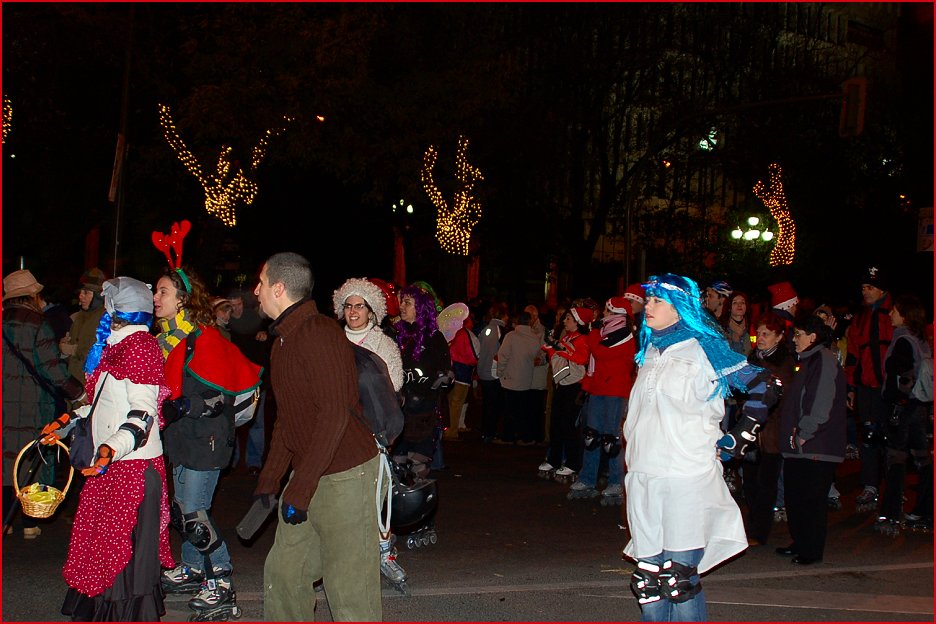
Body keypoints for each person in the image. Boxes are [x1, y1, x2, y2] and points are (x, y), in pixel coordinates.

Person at [622, 273, 776, 621]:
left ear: (679, 308)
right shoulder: (648, 350)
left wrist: (739, 437)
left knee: (679, 579)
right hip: (644, 474)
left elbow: (765, 385)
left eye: (658, 300)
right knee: (647, 578)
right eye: (649, 300)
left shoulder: (704, 347)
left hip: (686, 475)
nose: (648, 305)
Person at [252, 252, 382, 621]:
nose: (255, 291)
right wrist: (270, 480)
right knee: (284, 573)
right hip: (310, 470)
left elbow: (334, 415)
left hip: (345, 474)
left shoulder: (320, 334)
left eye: (261, 283)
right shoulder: (283, 341)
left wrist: (300, 486)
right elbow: (289, 420)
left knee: (349, 586)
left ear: (279, 288)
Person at [40, 277, 175, 620]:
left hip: (132, 468)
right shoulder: (115, 346)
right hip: (110, 463)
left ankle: (123, 613)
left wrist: (111, 449)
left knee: (120, 547)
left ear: (118, 311)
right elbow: (101, 405)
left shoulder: (141, 348)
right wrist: (67, 420)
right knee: (98, 539)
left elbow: (143, 413)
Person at [154, 264, 261, 619]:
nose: (155, 298)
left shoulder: (205, 338)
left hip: (208, 440)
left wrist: (186, 404)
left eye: (163, 292)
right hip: (181, 438)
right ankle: (193, 567)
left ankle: (223, 581)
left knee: (195, 514)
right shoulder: (167, 340)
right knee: (183, 511)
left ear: (182, 300)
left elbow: (222, 399)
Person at [332, 276, 407, 590]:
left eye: (359, 306)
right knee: (339, 499)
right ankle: (337, 562)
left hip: (372, 430)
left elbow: (394, 384)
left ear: (372, 311)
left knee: (378, 497)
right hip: (339, 431)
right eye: (348, 306)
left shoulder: (383, 344)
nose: (353, 311)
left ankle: (384, 556)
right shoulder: (333, 341)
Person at [2, 269, 87, 540]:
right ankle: (30, 521)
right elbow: (53, 369)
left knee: (5, 461)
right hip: (33, 404)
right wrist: (79, 393)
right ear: (33, 295)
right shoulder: (39, 323)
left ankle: (6, 521)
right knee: (32, 459)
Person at [775, 314, 847, 565]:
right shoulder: (808, 361)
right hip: (802, 447)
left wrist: (806, 432)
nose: (794, 340)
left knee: (811, 500)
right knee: (797, 497)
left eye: (799, 334)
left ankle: (811, 549)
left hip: (817, 446)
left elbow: (821, 400)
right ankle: (801, 542)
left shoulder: (823, 359)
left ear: (813, 337)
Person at [567, 297, 636, 506]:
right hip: (599, 388)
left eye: (608, 310)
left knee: (611, 438)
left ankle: (616, 482)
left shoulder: (624, 334)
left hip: (614, 391)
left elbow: (600, 352)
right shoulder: (605, 332)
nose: (604, 314)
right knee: (591, 436)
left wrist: (593, 333)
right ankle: (588, 478)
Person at [874, 294, 933, 535]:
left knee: (896, 460)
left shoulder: (903, 341)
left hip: (904, 409)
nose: (890, 315)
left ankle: (890, 516)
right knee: (923, 460)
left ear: (905, 315)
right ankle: (925, 511)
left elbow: (903, 378)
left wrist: (897, 403)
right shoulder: (921, 340)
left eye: (895, 311)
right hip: (920, 406)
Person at [740, 312, 796, 547]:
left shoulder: (784, 362)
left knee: (766, 483)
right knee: (750, 482)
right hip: (751, 429)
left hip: (772, 431)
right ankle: (753, 525)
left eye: (766, 334)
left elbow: (773, 395)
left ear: (779, 337)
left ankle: (759, 531)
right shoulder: (754, 357)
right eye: (758, 333)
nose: (760, 338)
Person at [844, 266, 894, 512]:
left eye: (870, 287)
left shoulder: (894, 313)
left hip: (889, 388)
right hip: (866, 386)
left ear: (881, 289)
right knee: (868, 436)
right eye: (863, 288)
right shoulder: (860, 317)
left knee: (890, 437)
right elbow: (852, 353)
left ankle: (893, 486)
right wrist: (851, 387)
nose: (865, 292)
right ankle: (871, 485)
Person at [393, 284, 452, 474]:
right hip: (398, 410)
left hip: (423, 413)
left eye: (408, 303)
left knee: (418, 465)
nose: (402, 306)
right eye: (402, 301)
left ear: (420, 308)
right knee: (397, 464)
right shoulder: (394, 334)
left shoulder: (434, 338)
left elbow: (445, 370)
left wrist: (440, 379)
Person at [539, 306, 592, 482]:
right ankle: (554, 459)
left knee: (570, 425)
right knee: (556, 423)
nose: (564, 321)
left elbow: (581, 358)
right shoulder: (568, 337)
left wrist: (559, 347)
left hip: (574, 386)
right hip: (562, 384)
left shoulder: (583, 339)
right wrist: (551, 348)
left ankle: (573, 463)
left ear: (578, 321)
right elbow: (559, 357)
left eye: (568, 318)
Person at [226, 288, 271, 475]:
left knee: (256, 422)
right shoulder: (225, 324)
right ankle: (231, 460)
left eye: (239, 304)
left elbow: (270, 331)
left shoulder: (255, 319)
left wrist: (265, 334)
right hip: (233, 382)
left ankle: (254, 462)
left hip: (255, 381)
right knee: (231, 421)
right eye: (232, 306)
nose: (236, 309)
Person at [495, 310, 543, 446]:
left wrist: (500, 372)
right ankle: (525, 437)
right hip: (526, 379)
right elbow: (537, 357)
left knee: (509, 410)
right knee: (523, 410)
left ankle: (508, 436)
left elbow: (503, 356)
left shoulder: (511, 336)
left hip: (510, 378)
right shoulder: (534, 338)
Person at [60, 268, 107, 390]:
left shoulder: (106, 319)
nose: (81, 296)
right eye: (81, 292)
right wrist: (64, 349)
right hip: (74, 384)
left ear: (98, 296)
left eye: (86, 292)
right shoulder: (78, 317)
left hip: (91, 386)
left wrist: (73, 350)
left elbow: (101, 352)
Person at [477, 301, 510, 443]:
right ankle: (490, 432)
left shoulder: (486, 329)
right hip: (493, 372)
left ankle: (485, 431)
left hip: (483, 370)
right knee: (494, 405)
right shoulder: (500, 330)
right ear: (503, 316)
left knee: (487, 404)